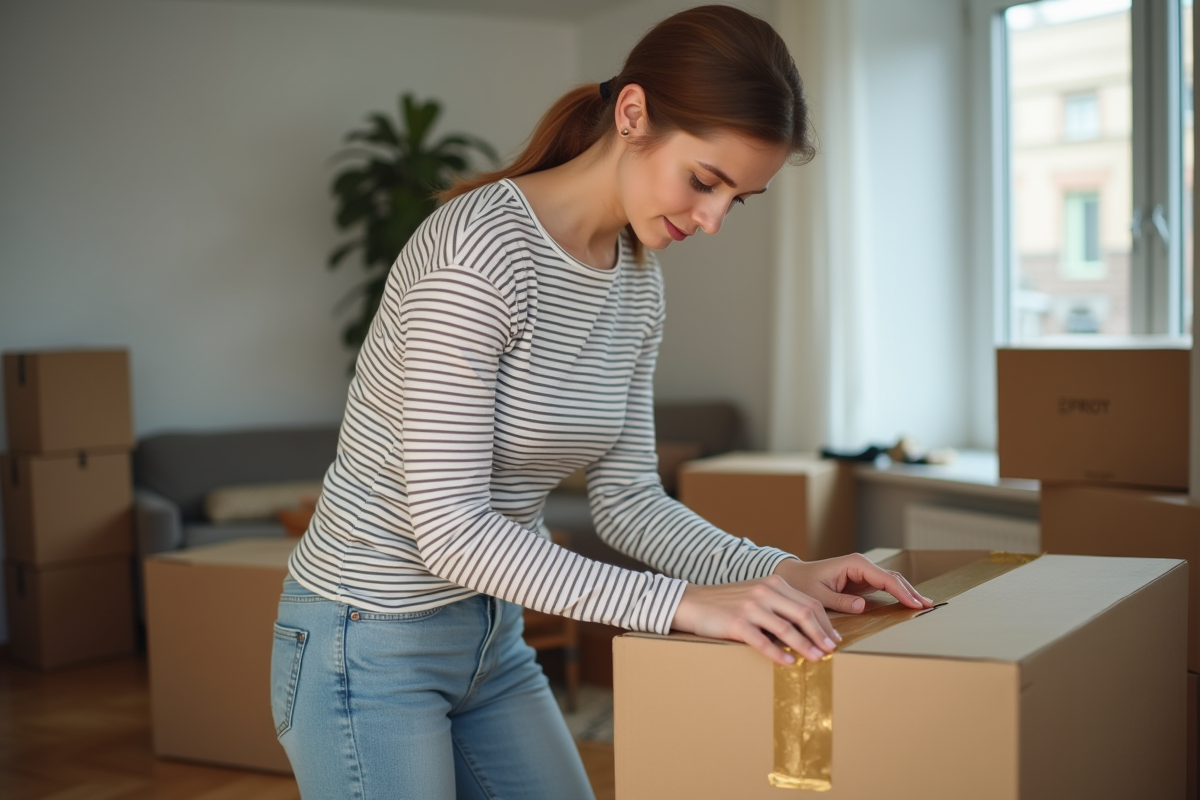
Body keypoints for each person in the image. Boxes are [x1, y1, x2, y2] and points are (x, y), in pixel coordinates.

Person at [270, 5, 933, 799]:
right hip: (367, 640)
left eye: (738, 199)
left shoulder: (635, 280)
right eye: (705, 181)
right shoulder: (476, 255)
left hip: (492, 636)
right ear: (633, 114)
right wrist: (685, 606)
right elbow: (448, 532)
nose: (714, 220)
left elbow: (628, 501)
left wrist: (784, 573)